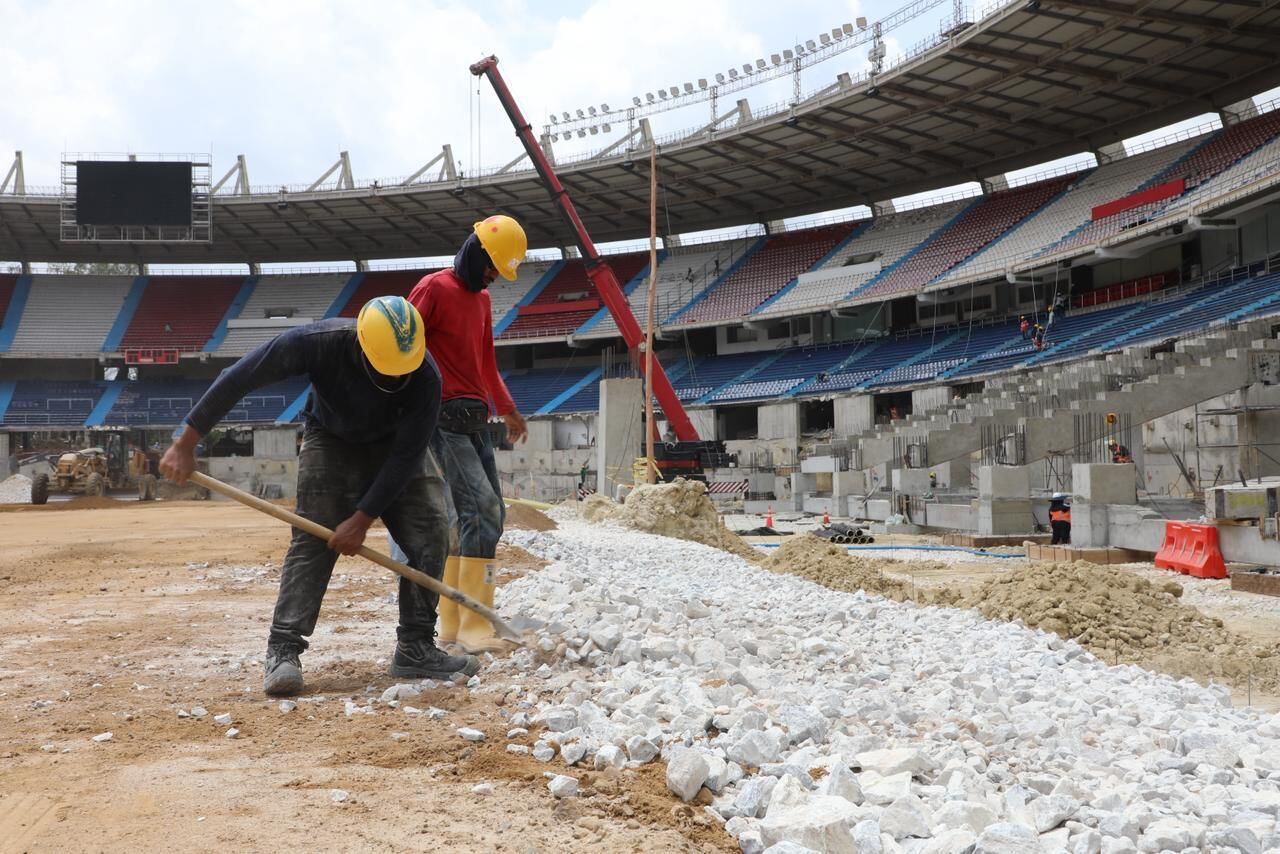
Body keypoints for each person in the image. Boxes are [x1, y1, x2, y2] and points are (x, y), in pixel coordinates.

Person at [159, 297, 477, 696]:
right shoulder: (319, 342)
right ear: (363, 346)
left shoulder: (425, 375)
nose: (397, 378)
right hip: (331, 439)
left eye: (403, 370)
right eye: (387, 369)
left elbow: (406, 456)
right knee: (312, 540)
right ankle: (283, 650)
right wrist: (186, 442)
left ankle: (415, 647)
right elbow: (238, 377)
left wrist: (362, 519)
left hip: (395, 446)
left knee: (431, 535)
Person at [405, 215, 529, 655]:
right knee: (481, 509)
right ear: (476, 253)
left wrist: (508, 408)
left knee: (483, 516)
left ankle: (455, 624)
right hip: (442, 417)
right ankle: (475, 624)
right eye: (492, 266)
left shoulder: (482, 300)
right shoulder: (433, 288)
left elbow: (486, 360)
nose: (493, 276)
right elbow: (402, 344)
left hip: (475, 418)